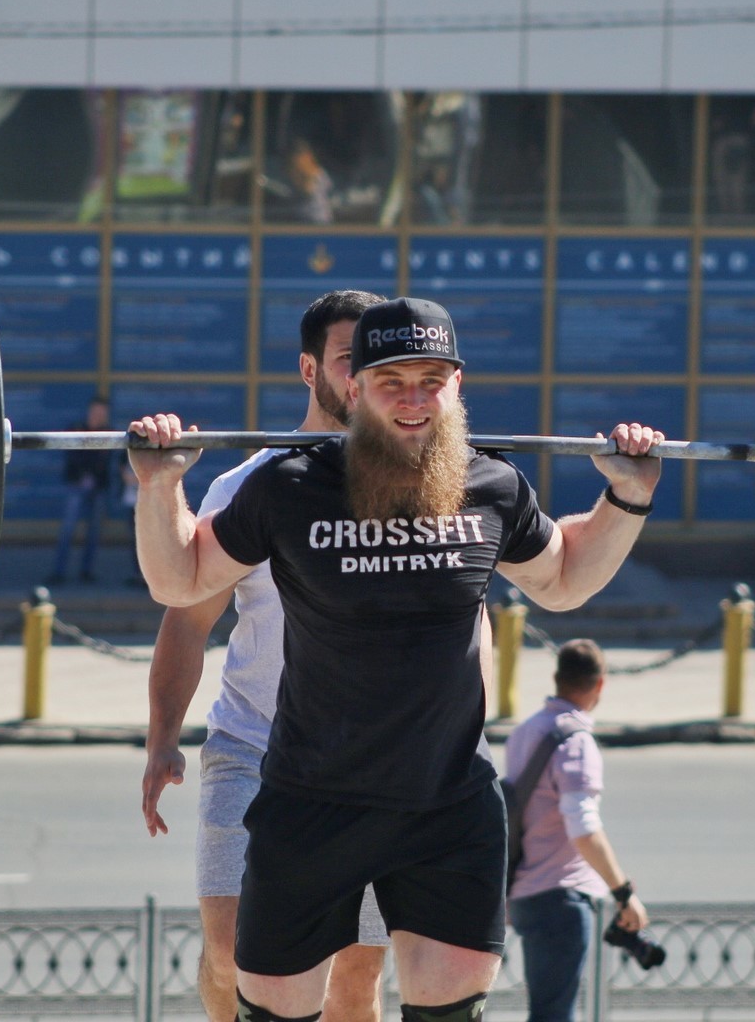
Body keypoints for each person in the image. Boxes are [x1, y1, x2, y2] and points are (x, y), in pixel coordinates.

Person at [128, 297, 664, 1022]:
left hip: (445, 805)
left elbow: (564, 579)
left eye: (431, 380)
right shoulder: (284, 486)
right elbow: (180, 585)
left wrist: (626, 497)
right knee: (261, 993)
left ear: (457, 385)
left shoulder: (490, 486)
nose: (414, 401)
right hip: (310, 800)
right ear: (353, 387)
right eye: (391, 381)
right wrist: (160, 486)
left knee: (413, 1000)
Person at [142, 289, 393, 1022]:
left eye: (376, 363)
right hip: (254, 748)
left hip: (374, 767)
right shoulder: (245, 486)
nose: (362, 379)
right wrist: (162, 740)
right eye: (349, 360)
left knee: (353, 979)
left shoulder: (423, 487)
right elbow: (187, 622)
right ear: (309, 368)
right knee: (231, 953)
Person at [505, 639, 648, 1022]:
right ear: (600, 685)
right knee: (554, 1016)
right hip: (560, 900)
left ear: (556, 679)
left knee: (547, 1011)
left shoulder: (524, 732)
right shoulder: (576, 743)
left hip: (525, 892)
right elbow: (583, 826)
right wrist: (623, 893)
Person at [49, 396, 114, 585]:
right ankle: (59, 572)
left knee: (93, 532)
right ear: (89, 411)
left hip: (99, 487)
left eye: (102, 413)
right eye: (96, 411)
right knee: (67, 530)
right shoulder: (76, 428)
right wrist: (85, 472)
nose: (98, 416)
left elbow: (104, 460)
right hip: (76, 485)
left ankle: (87, 571)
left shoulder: (109, 432)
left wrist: (92, 472)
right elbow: (73, 456)